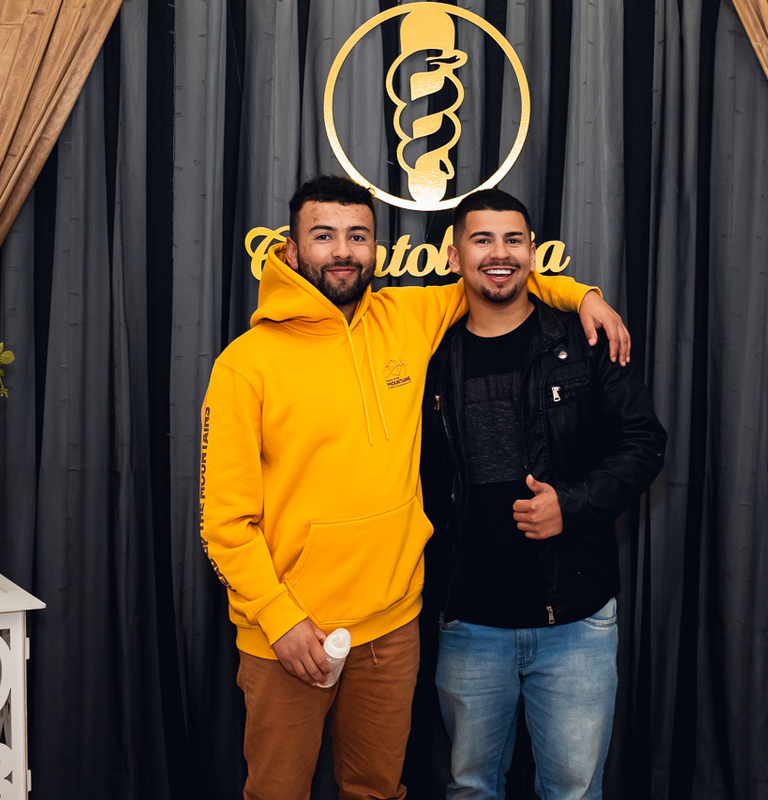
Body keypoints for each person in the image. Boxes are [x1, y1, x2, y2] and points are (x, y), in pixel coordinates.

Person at [199, 175, 630, 800]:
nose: (342, 251)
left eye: (358, 236)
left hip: (391, 629)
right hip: (290, 633)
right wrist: (278, 618)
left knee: (377, 791)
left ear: (376, 248)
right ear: (290, 249)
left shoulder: (407, 317)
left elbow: (499, 275)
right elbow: (223, 522)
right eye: (323, 236)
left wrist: (582, 296)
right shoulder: (245, 363)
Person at [421, 189, 667, 799]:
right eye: (482, 239)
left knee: (574, 792)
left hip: (575, 621)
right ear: (454, 256)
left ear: (533, 252)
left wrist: (573, 503)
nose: (499, 254)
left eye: (513, 239)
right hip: (469, 621)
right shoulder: (428, 353)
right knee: (470, 789)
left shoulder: (584, 339)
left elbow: (645, 442)